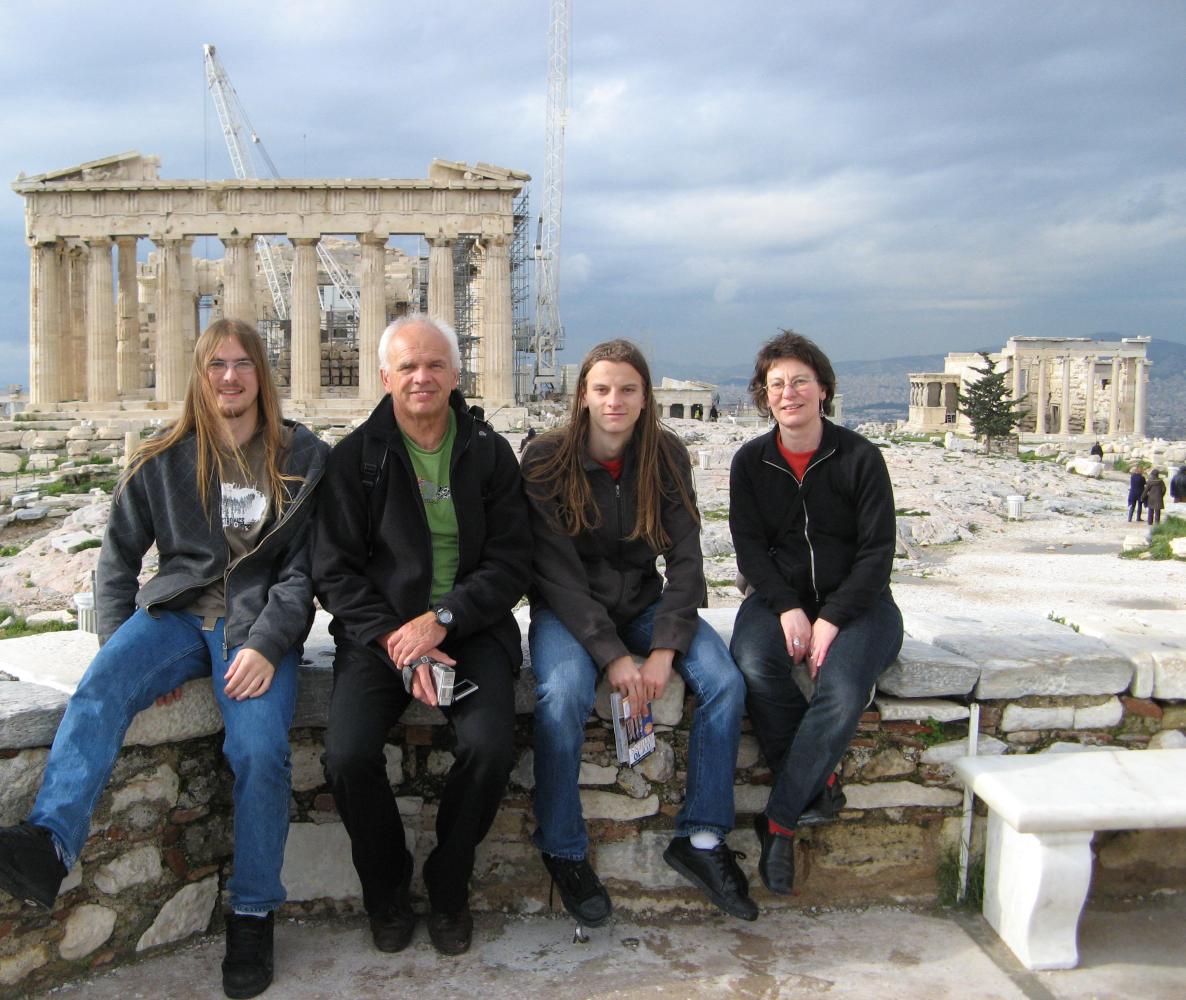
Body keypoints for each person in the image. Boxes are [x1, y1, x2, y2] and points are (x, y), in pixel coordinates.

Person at [0, 319, 328, 999]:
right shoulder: (164, 455)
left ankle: (251, 912)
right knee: (101, 686)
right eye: (216, 365)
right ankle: (49, 845)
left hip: (254, 628)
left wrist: (270, 644)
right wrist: (120, 647)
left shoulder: (301, 456)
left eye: (243, 364)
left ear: (261, 374)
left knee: (259, 750)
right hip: (175, 617)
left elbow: (304, 572)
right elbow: (117, 558)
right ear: (199, 373)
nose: (230, 378)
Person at [314, 315, 531, 956]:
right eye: (407, 366)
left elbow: (512, 559)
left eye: (434, 364)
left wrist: (445, 618)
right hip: (380, 637)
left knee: (491, 748)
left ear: (456, 374)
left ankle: (448, 882)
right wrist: (394, 636)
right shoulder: (356, 458)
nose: (421, 377)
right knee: (346, 757)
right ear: (385, 377)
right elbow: (334, 570)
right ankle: (386, 892)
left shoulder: (489, 451)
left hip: (472, 628)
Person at [523, 339, 755, 926]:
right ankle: (563, 846)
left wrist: (663, 649)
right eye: (602, 389)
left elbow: (686, 560)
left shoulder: (665, 454)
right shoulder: (546, 458)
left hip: (647, 606)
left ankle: (701, 838)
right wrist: (611, 656)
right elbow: (556, 573)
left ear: (646, 398)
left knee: (724, 681)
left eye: (628, 389)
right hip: (568, 612)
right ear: (582, 397)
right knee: (563, 693)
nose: (615, 401)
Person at [728, 330, 902, 897]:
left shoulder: (860, 458)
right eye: (776, 383)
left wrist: (830, 618)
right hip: (779, 601)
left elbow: (877, 553)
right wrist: (787, 608)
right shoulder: (750, 462)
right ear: (764, 395)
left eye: (800, 380)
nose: (788, 392)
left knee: (845, 686)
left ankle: (778, 822)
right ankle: (816, 781)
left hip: (862, 604)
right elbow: (750, 548)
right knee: (753, 663)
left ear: (822, 389)